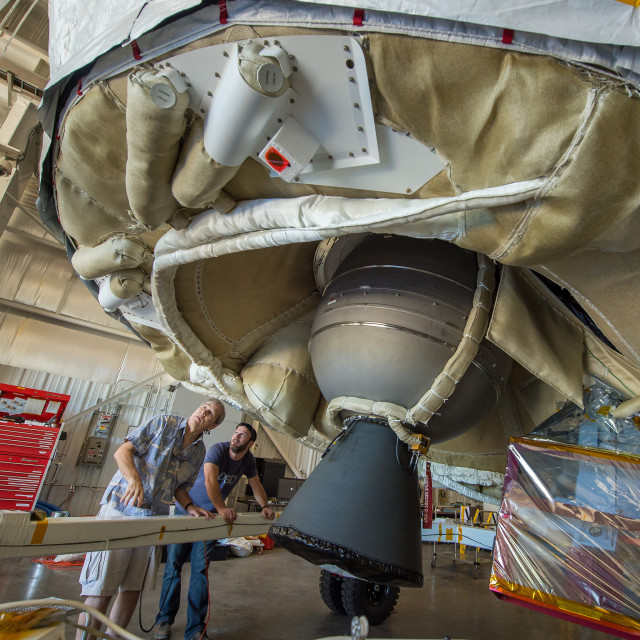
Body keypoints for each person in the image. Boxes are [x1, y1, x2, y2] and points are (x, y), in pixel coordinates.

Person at [76, 399, 226, 640]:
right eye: (203, 407)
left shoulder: (198, 452)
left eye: (211, 413)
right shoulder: (162, 423)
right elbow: (122, 451)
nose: (203, 412)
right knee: (101, 588)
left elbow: (179, 487)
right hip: (121, 512)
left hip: (152, 521)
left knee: (132, 588)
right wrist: (134, 479)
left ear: (214, 424)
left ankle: (113, 636)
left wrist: (189, 506)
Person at [154, 422, 276, 640]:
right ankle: (164, 620)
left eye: (243, 435)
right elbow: (210, 479)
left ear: (250, 443)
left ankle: (196, 629)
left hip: (209, 521)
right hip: (187, 513)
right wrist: (222, 508)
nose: (236, 437)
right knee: (173, 567)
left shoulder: (248, 460)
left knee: (201, 572)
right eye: (236, 432)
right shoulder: (218, 450)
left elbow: (256, 484)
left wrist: (265, 506)